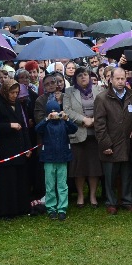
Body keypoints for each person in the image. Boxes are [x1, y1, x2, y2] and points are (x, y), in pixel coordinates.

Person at [93, 67, 132, 215]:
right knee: (110, 176)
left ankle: (127, 200)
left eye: (123, 78)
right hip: (111, 142)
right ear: (111, 79)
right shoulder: (102, 98)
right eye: (117, 79)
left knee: (127, 174)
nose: (120, 82)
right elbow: (99, 125)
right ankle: (111, 202)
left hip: (128, 142)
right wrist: (105, 144)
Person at [0, 80, 33, 218]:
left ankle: (21, 207)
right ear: (5, 92)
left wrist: (28, 146)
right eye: (12, 93)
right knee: (7, 181)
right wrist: (9, 126)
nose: (14, 95)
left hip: (19, 147)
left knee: (20, 179)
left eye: (16, 93)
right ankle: (7, 210)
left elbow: (23, 125)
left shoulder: (18, 104)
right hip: (5, 149)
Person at [34, 91, 77, 220]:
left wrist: (66, 118)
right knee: (50, 185)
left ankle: (62, 208)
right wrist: (47, 119)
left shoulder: (64, 123)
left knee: (62, 185)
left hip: (62, 158)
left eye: (56, 112)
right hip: (48, 159)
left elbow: (74, 129)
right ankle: (51, 208)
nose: (55, 115)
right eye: (52, 113)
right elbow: (37, 129)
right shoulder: (45, 124)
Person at [63, 69, 102, 207]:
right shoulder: (69, 92)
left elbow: (104, 108)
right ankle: (80, 196)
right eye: (79, 75)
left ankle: (92, 196)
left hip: (96, 134)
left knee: (94, 167)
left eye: (85, 74)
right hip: (78, 133)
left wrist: (93, 120)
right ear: (75, 79)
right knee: (79, 168)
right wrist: (83, 119)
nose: (83, 77)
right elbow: (66, 110)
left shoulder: (99, 89)